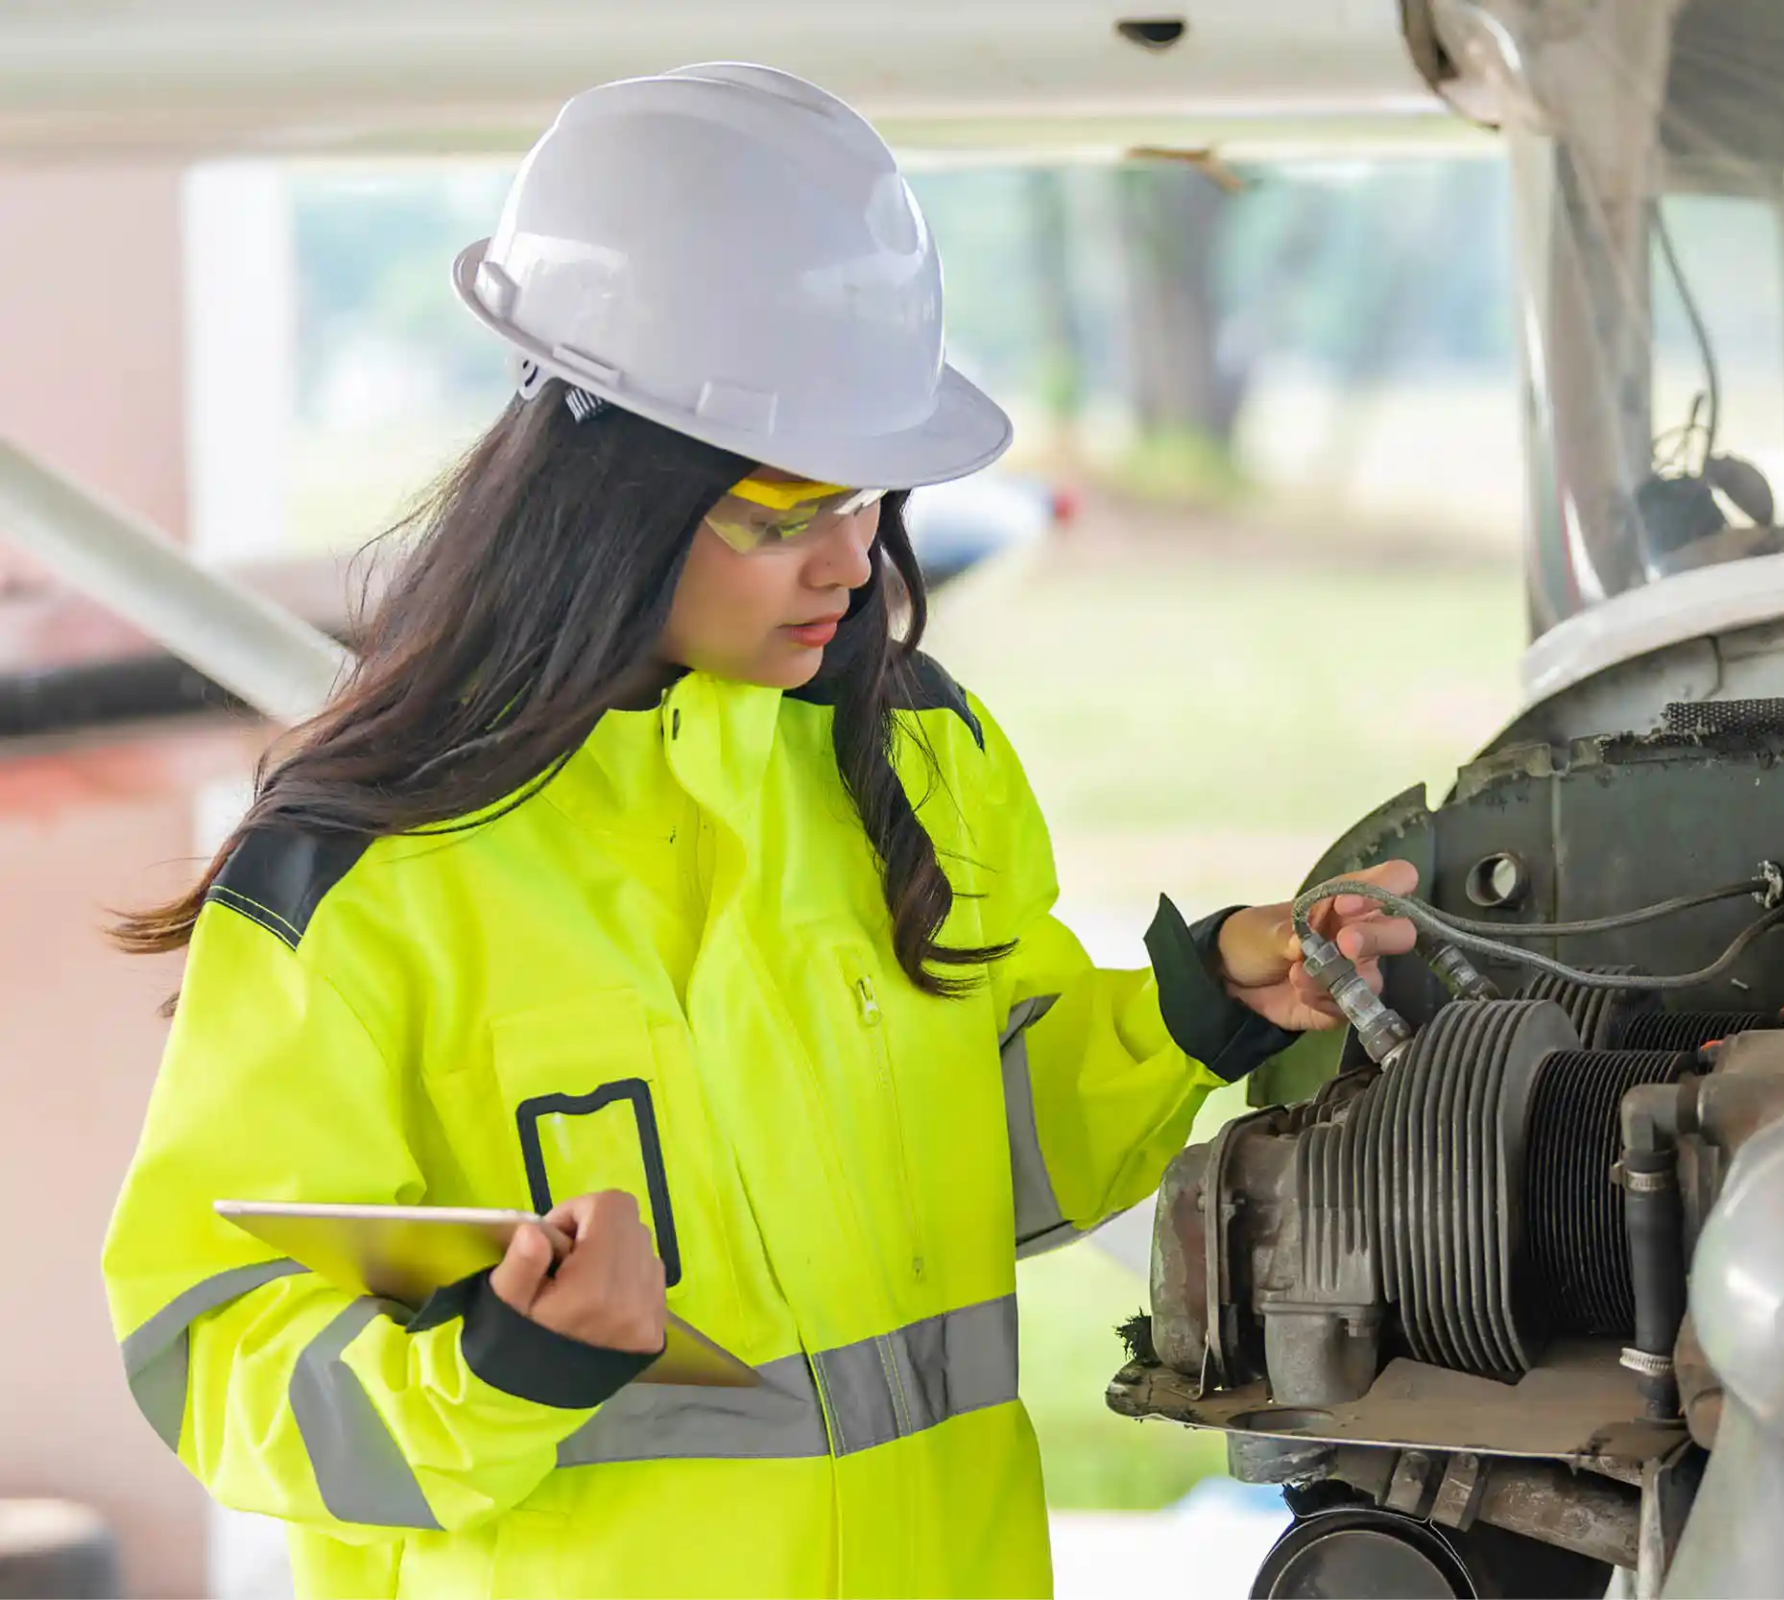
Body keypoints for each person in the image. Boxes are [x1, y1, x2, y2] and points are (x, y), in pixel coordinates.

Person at [100, 62, 1416, 1598]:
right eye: (782, 513)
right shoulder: (367, 877)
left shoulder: (913, 757)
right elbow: (209, 1343)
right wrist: (501, 1372)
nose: (850, 565)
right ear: (610, 495)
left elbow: (965, 1168)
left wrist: (1196, 1012)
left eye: (867, 497)